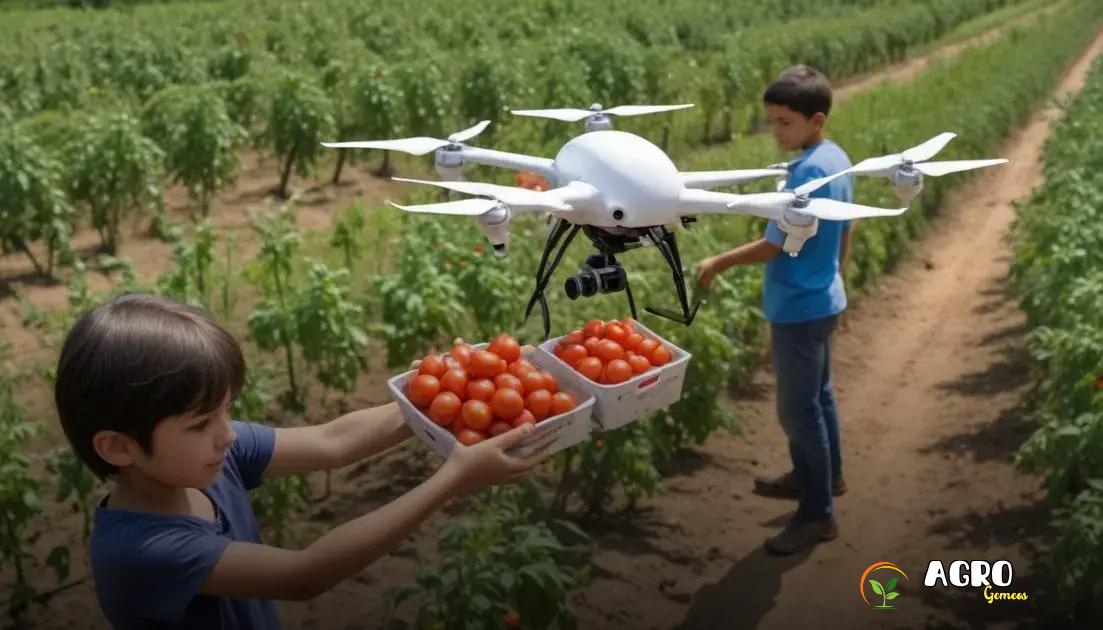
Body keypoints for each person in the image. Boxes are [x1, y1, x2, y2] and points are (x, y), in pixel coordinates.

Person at [53, 293, 551, 628]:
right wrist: (453, 478)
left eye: (226, 412)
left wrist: (438, 393)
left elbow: (334, 441)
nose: (227, 434)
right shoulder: (143, 551)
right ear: (119, 447)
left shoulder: (202, 458)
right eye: (201, 423)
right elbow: (305, 574)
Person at [695, 65, 853, 555]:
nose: (775, 130)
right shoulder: (835, 158)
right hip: (823, 297)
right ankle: (828, 478)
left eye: (784, 122)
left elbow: (775, 243)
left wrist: (717, 263)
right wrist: (835, 273)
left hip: (798, 309)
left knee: (796, 410)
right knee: (819, 397)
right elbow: (848, 226)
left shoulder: (806, 173)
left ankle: (817, 514)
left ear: (816, 119)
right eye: (773, 120)